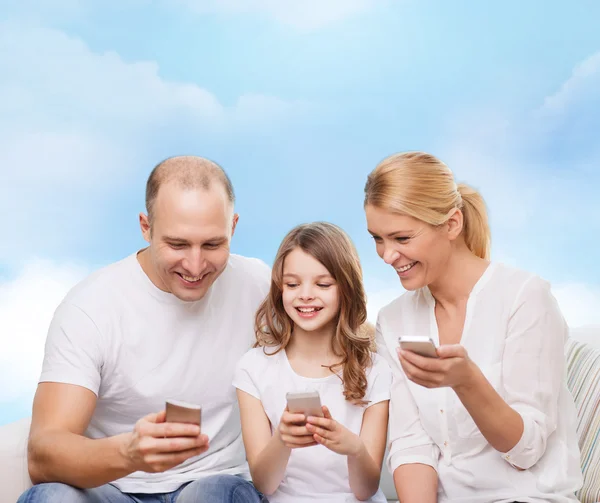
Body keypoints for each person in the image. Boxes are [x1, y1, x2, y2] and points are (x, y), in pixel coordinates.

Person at [18, 156, 271, 503]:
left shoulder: (259, 285)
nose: (195, 266)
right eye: (177, 245)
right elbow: (43, 453)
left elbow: (339, 332)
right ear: (146, 226)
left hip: (213, 483)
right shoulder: (90, 307)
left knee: (217, 495)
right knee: (50, 498)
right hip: (112, 489)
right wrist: (129, 454)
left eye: (212, 244)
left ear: (233, 227)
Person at [364, 151, 583, 503]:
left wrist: (467, 381)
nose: (387, 255)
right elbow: (411, 446)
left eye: (401, 239)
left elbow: (526, 450)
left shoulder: (524, 298)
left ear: (452, 224)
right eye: (377, 238)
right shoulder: (393, 320)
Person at [233, 222, 392, 503]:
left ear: (346, 288)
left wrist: (354, 448)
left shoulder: (375, 369)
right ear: (280, 289)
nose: (305, 294)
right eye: (292, 284)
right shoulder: (254, 367)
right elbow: (264, 483)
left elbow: (365, 489)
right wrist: (282, 439)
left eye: (322, 284)